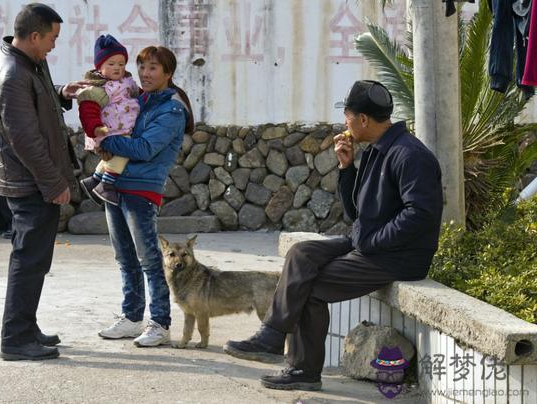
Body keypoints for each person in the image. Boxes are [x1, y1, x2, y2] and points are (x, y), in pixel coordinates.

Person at [223, 80, 444, 391]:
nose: (345, 123)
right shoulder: (375, 152)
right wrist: (346, 168)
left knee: (308, 287)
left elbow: (420, 215)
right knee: (301, 253)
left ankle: (302, 370)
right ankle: (273, 334)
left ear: (363, 120)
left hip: (397, 257)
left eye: (348, 116)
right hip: (368, 243)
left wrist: (372, 242)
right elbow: (356, 214)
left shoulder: (410, 155)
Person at [0, 3, 87, 361]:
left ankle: (26, 327)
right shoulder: (12, 74)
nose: (54, 46)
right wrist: (53, 183)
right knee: (28, 259)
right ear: (33, 36)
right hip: (29, 183)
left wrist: (61, 92)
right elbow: (25, 140)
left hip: (32, 181)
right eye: (52, 39)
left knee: (35, 258)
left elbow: (38, 100)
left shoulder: (28, 62)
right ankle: (15, 339)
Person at [95, 45, 194, 347]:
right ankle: (131, 317)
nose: (145, 73)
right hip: (116, 185)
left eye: (153, 67)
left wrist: (106, 140)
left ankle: (160, 323)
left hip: (141, 190)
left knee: (150, 260)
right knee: (125, 258)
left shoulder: (172, 109)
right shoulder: (139, 99)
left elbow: (144, 148)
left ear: (168, 73)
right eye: (141, 67)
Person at [78, 34, 140, 205]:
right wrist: (95, 128)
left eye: (121, 64)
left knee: (112, 159)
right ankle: (106, 184)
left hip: (122, 128)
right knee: (124, 154)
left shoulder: (126, 81)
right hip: (109, 130)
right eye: (111, 64)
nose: (117, 68)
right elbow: (88, 107)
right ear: (99, 67)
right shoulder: (101, 87)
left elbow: (139, 94)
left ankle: (94, 180)